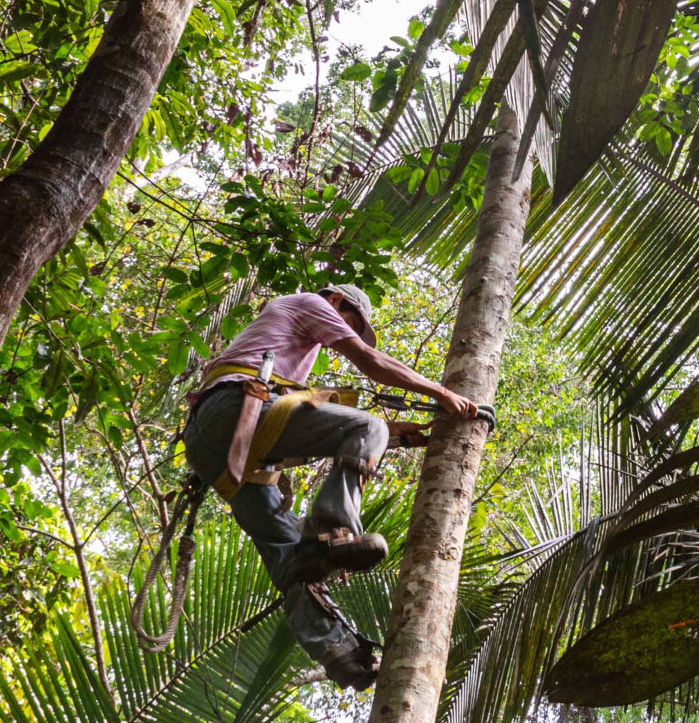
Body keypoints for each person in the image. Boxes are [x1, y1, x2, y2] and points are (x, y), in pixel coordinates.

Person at [183, 283, 484, 687]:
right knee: (368, 426)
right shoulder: (309, 303)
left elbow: (305, 424)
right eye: (352, 322)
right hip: (237, 408)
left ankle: (339, 653)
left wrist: (397, 435)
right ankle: (332, 528)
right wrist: (441, 393)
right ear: (337, 302)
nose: (348, 332)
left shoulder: (283, 349)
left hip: (212, 442)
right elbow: (369, 361)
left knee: (291, 559)